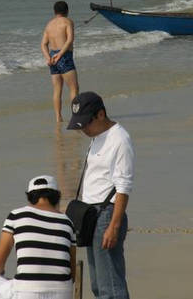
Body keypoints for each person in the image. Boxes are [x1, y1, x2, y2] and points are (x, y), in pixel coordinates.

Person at [67, 92, 134, 299]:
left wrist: (113, 226)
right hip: (91, 214)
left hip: (107, 214)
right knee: (98, 284)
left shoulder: (120, 139)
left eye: (86, 123)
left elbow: (123, 187)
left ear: (101, 114)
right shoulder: (96, 136)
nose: (83, 129)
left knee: (110, 286)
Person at [0, 175, 77, 299]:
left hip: (26, 293)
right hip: (62, 293)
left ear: (30, 197)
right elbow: (72, 274)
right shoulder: (68, 223)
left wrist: (1, 276)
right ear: (56, 196)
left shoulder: (16, 216)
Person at [41, 1, 79, 123]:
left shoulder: (49, 25)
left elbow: (43, 44)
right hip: (64, 56)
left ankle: (58, 117)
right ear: (67, 11)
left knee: (57, 89)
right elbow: (69, 40)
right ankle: (75, 116)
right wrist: (60, 55)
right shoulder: (68, 22)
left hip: (52, 57)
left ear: (54, 11)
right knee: (74, 88)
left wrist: (48, 58)